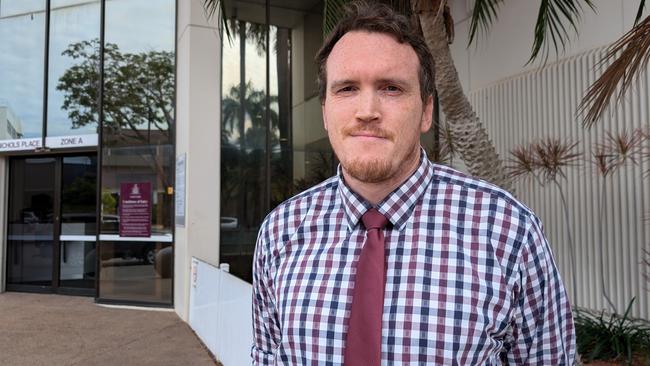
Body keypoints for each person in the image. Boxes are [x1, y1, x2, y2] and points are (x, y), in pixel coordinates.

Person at [251, 1, 575, 364]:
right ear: (325, 112)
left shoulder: (508, 232)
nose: (367, 111)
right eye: (346, 89)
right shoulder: (281, 231)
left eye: (391, 88)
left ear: (426, 111)